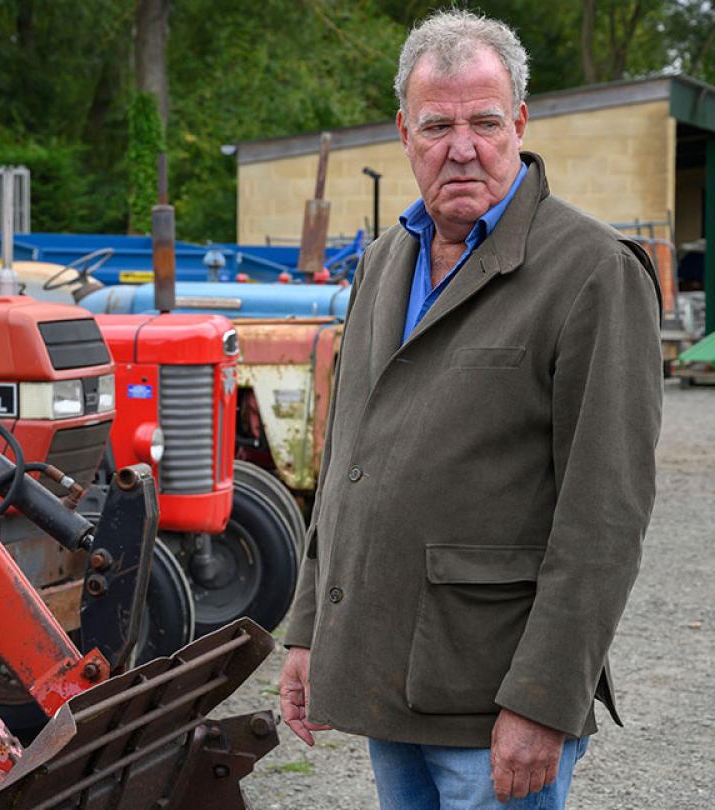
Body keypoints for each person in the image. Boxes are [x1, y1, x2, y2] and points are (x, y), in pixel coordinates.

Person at [277, 9, 662, 809]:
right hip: (394, 680)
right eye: (438, 124)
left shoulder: (592, 271)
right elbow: (347, 454)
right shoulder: (386, 260)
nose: (463, 146)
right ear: (403, 133)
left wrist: (544, 700)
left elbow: (605, 515)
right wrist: (309, 630)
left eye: (485, 122)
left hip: (495, 694)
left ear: (519, 121)